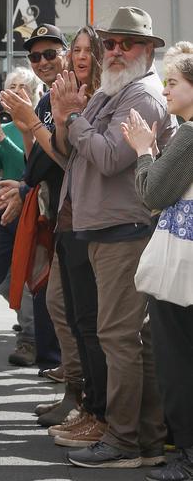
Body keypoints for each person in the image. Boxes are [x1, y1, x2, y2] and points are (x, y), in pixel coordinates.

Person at [50, 6, 176, 468]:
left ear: (147, 50)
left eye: (126, 44)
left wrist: (72, 117)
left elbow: (104, 158)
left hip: (124, 231)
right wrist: (70, 118)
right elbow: (74, 153)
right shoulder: (112, 91)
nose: (115, 51)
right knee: (126, 338)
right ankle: (143, 438)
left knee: (118, 337)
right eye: (111, 43)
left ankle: (125, 440)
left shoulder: (140, 97)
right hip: (105, 228)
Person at [122, 41, 193, 481]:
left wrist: (144, 150)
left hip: (182, 273)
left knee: (177, 361)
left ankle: (186, 456)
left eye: (173, 83)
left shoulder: (188, 134)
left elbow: (153, 194)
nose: (165, 91)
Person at [0, 24, 67, 372]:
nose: (43, 61)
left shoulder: (66, 95)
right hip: (45, 210)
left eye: (51, 53)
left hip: (73, 213)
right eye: (36, 56)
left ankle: (72, 384)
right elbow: (37, 162)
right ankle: (62, 376)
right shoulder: (48, 101)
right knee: (45, 295)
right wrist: (23, 185)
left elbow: (64, 158)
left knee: (63, 305)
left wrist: (30, 126)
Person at [46, 25, 109, 442]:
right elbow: (65, 152)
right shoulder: (71, 92)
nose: (81, 56)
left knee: (94, 323)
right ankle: (86, 402)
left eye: (89, 50)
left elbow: (98, 157)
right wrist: (57, 115)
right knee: (74, 314)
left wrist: (43, 121)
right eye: (78, 50)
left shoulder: (105, 97)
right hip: (68, 218)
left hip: (95, 221)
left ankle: (98, 409)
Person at [0, 66, 40, 367]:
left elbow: (26, 161)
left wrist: (2, 136)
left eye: (22, 86)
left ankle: (30, 338)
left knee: (28, 276)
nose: (16, 91)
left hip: (33, 208)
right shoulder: (1, 125)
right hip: (5, 209)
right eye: (11, 86)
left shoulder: (33, 124)